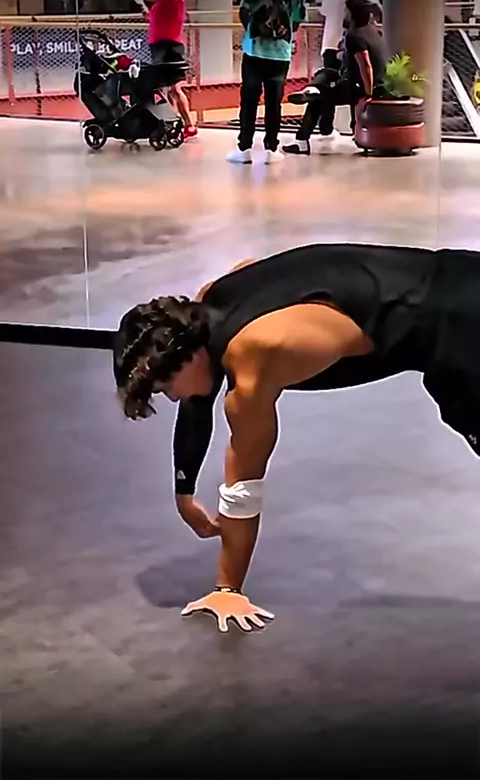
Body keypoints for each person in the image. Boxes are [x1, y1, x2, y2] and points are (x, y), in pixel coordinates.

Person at [114, 242, 480, 633]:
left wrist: (227, 588)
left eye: (165, 386)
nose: (171, 397)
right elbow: (198, 394)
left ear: (188, 355)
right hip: (461, 275)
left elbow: (244, 484)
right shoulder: (214, 299)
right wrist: (184, 491)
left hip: (464, 327)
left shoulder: (257, 353)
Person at [226, 0, 306, 165]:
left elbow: (244, 13)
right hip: (280, 55)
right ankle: (271, 149)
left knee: (249, 100)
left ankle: (244, 149)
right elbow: (296, 22)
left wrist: (253, 32)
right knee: (274, 103)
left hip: (254, 51)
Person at [283, 0, 387, 155]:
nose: (343, 15)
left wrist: (368, 94)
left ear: (352, 15)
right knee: (325, 73)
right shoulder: (374, 32)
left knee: (318, 99)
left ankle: (302, 141)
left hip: (358, 86)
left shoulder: (354, 36)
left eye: (346, 12)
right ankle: (312, 89)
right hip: (363, 81)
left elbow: (366, 66)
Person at [141, 0, 197, 139]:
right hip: (160, 46)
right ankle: (173, 123)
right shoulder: (166, 1)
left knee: (174, 88)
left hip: (168, 46)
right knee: (167, 88)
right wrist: (148, 14)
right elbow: (159, 18)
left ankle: (188, 124)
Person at [319, 0, 381, 73]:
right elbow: (379, 11)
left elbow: (323, 12)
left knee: (329, 76)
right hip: (352, 46)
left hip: (330, 45)